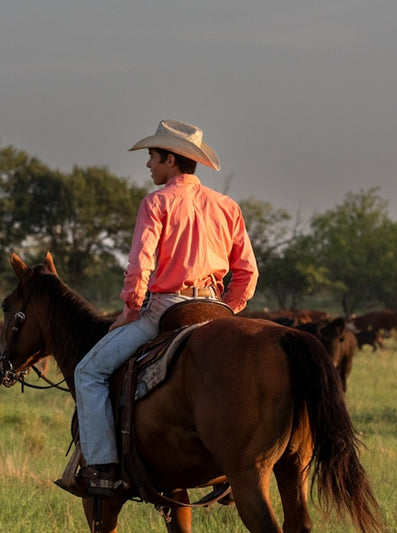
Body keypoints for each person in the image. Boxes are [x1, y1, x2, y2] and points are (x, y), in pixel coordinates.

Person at [69, 119, 259, 495]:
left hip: (168, 308)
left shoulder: (156, 202)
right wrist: (229, 312)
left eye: (152, 157)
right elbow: (247, 272)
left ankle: (103, 467)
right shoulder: (226, 206)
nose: (148, 165)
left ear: (171, 159)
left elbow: (140, 264)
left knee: (88, 372)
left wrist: (131, 309)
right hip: (215, 308)